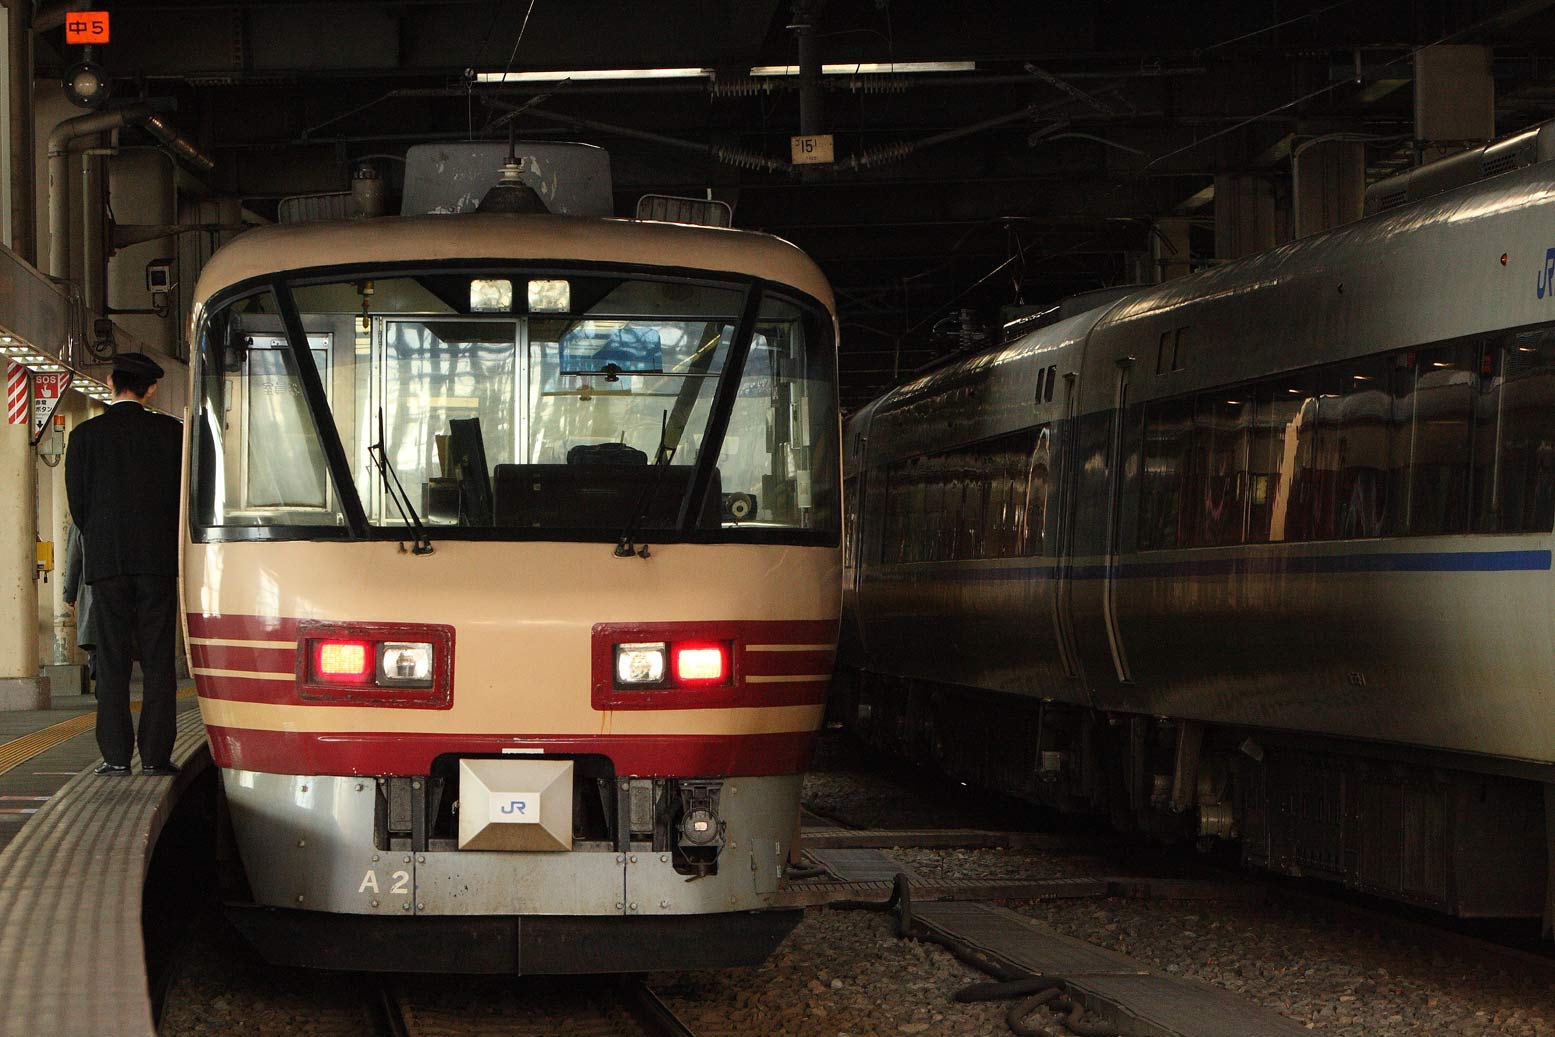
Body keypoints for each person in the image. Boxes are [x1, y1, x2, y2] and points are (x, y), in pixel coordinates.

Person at [64, 352, 183, 777]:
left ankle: (115, 756)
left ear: (111, 381)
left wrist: (103, 536)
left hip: (107, 562)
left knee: (112, 658)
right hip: (157, 562)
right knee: (157, 660)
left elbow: (79, 508)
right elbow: (182, 502)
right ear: (151, 389)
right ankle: (155, 756)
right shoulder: (172, 433)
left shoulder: (84, 436)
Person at [60, 523, 97, 696]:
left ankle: (99, 675)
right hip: (120, 599)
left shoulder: (80, 523)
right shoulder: (124, 514)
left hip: (92, 596)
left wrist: (69, 595)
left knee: (96, 642)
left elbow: (73, 561)